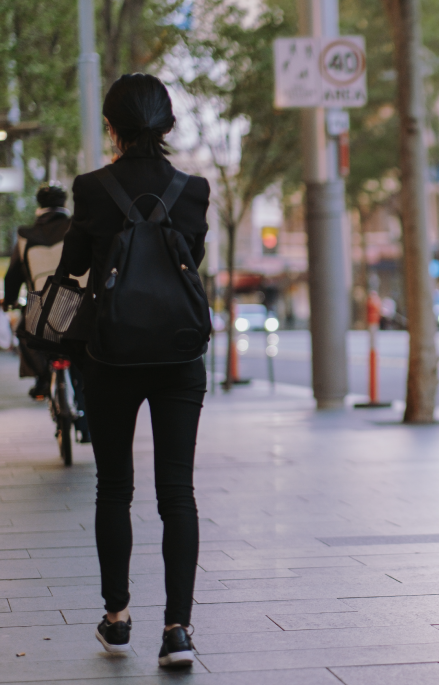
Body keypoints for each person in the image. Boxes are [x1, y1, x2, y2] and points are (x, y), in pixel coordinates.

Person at [57, 73, 210, 667]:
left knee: (113, 488)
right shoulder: (192, 189)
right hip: (178, 354)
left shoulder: (92, 188)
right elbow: (188, 259)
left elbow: (74, 265)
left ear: (111, 126)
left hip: (111, 354)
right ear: (167, 125)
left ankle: (117, 620)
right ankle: (178, 631)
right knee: (179, 493)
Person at [2, 184, 73, 399]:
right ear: (64, 203)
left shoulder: (25, 236)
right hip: (75, 303)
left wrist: (10, 301)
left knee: (24, 333)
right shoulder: (75, 228)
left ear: (39, 205)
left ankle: (42, 378)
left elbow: (13, 274)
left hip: (39, 306)